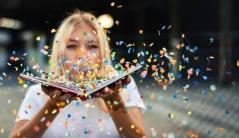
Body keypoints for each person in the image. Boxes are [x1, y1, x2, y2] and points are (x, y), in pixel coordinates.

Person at [10, 10, 146, 138]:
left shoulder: (123, 87)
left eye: (92, 46)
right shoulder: (38, 93)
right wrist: (53, 105)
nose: (82, 55)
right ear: (59, 53)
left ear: (102, 53)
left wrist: (114, 100)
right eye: (71, 46)